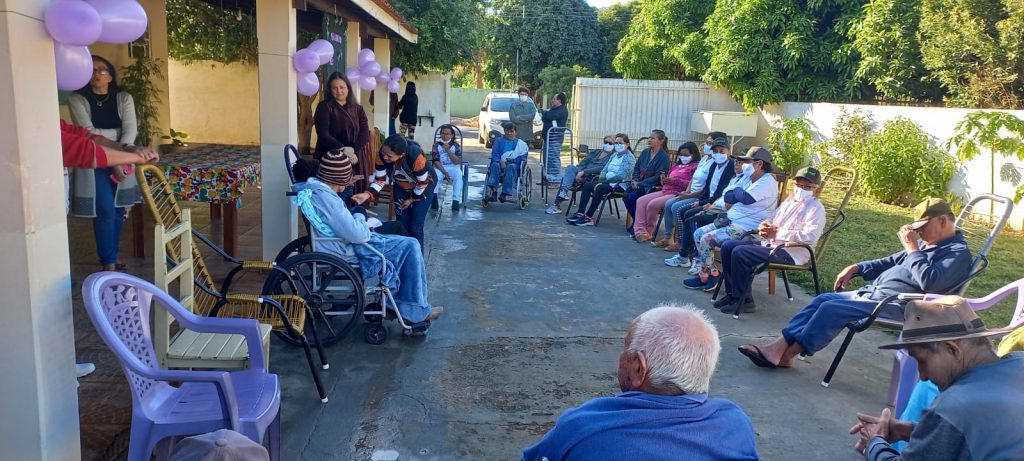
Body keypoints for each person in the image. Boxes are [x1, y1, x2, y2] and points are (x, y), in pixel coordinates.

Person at [738, 198, 973, 369]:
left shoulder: (957, 254)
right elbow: (889, 261)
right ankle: (780, 350)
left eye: (923, 228)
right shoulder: (926, 245)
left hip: (903, 306)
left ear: (943, 220)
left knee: (832, 308)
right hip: (876, 295)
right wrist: (858, 268)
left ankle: (785, 353)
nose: (919, 234)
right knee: (822, 300)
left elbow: (931, 283)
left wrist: (912, 248)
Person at [520, 304, 759, 461]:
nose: (621, 355)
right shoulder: (735, 424)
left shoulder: (583, 428)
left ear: (638, 368)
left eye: (625, 348)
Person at [848, 296, 1024, 461]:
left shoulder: (954, 406)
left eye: (922, 360)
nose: (922, 376)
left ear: (952, 349)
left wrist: (874, 442)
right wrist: (908, 431)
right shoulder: (1019, 362)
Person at [292, 149, 442, 324]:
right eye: (343, 181)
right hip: (346, 248)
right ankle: (414, 311)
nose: (344, 186)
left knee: (406, 243)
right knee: (411, 246)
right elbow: (358, 235)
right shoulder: (328, 199)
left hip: (341, 242)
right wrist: (361, 217)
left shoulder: (317, 191)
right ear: (336, 179)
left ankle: (404, 307)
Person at [61, 120, 158, 380]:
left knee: (57, 292)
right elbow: (85, 151)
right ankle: (54, 368)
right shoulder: (28, 125)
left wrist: (129, 147)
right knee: (45, 295)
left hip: (48, 223)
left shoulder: (48, 118)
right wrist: (133, 156)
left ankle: (59, 361)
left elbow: (88, 137)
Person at [715, 167, 826, 315]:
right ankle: (733, 294)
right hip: (772, 244)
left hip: (792, 251)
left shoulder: (815, 208)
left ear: (816, 190)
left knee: (741, 252)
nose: (801, 189)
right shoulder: (789, 200)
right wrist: (764, 226)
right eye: (799, 185)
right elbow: (772, 218)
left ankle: (745, 301)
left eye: (807, 187)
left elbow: (809, 236)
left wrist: (778, 232)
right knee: (728, 246)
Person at [67, 55, 142, 272]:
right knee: (106, 210)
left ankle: (112, 255)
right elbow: (88, 133)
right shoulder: (77, 99)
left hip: (123, 156)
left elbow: (130, 131)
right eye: (91, 70)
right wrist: (117, 141)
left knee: (119, 209)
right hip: (92, 159)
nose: (96, 74)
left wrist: (120, 157)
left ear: (110, 75)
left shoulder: (124, 98)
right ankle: (107, 262)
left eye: (101, 70)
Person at [683, 147, 778, 291]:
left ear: (759, 164)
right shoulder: (748, 178)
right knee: (698, 233)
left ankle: (707, 276)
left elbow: (746, 198)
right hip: (731, 220)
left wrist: (737, 193)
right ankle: (712, 273)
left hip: (748, 228)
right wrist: (738, 194)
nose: (742, 164)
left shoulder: (767, 181)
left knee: (706, 239)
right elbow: (728, 195)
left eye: (746, 161)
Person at [663, 137, 736, 266]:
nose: (718, 154)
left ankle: (692, 255)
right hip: (708, 201)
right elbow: (707, 187)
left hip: (719, 206)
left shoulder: (731, 167)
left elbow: (722, 192)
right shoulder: (714, 164)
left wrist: (703, 203)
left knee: (691, 217)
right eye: (716, 151)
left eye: (722, 151)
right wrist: (701, 201)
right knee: (685, 212)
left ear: (729, 152)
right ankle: (686, 254)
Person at [357, 134, 436, 247]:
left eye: (389, 156)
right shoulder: (381, 155)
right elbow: (380, 180)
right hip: (401, 186)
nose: (385, 157)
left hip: (423, 188)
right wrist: (366, 194)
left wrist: (410, 199)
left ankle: (417, 260)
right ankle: (404, 254)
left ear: (401, 155)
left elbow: (423, 182)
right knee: (402, 225)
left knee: (415, 227)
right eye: (384, 153)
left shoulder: (415, 156)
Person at [654, 132, 726, 250]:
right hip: (690, 193)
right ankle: (668, 238)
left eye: (710, 143)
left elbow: (706, 188)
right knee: (668, 204)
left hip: (699, 196)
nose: (707, 146)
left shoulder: (715, 163)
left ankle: (681, 243)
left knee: (676, 208)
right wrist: (687, 192)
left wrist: (689, 195)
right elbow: (693, 179)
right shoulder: (704, 159)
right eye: (706, 143)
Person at [631, 142, 700, 243]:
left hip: (677, 193)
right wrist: (664, 179)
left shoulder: (695, 167)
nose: (682, 157)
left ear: (693, 155)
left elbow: (692, 184)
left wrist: (675, 181)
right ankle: (639, 232)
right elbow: (668, 177)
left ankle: (649, 231)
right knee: (641, 201)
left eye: (686, 155)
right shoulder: (677, 165)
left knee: (652, 204)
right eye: (681, 155)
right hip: (665, 190)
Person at [314, 72, 370, 191]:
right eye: (335, 88)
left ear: (348, 88)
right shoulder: (324, 107)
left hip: (355, 155)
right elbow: (324, 135)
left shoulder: (358, 108)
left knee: (354, 195)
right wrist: (345, 151)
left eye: (342, 87)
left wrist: (353, 149)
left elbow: (365, 134)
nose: (339, 91)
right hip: (332, 158)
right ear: (330, 89)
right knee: (333, 197)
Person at [567, 134, 636, 227]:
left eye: (620, 143)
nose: (618, 145)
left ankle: (588, 217)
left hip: (620, 184)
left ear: (627, 144)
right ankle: (580, 213)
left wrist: (604, 182)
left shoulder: (629, 157)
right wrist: (602, 179)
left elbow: (622, 175)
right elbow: (605, 169)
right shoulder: (614, 155)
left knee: (600, 188)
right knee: (587, 185)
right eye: (616, 143)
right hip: (606, 182)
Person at [545, 136, 615, 215]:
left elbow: (602, 168)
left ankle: (556, 204)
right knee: (570, 168)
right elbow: (584, 161)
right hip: (581, 173)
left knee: (566, 179)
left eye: (610, 143)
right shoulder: (596, 152)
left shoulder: (613, 157)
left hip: (593, 177)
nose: (607, 144)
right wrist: (579, 171)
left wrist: (583, 172)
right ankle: (563, 193)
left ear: (614, 145)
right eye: (606, 142)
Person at [624, 130, 670, 236]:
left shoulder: (663, 157)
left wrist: (640, 184)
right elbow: (636, 167)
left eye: (653, 138)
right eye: (649, 137)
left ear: (661, 140)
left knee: (632, 197)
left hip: (652, 187)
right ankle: (638, 222)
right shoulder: (645, 152)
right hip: (639, 183)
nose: (649, 140)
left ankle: (638, 225)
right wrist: (635, 179)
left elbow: (659, 177)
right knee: (626, 196)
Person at [484, 122, 529, 204]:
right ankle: (494, 192)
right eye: (507, 131)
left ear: (515, 132)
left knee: (511, 167)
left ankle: (504, 193)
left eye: (511, 131)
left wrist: (508, 162)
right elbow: (495, 154)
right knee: (494, 164)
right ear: (504, 132)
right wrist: (500, 161)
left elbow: (522, 158)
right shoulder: (498, 141)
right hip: (499, 163)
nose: (509, 133)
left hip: (514, 166)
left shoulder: (521, 144)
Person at [431, 124, 464, 211]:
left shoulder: (456, 146)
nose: (445, 136)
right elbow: (436, 161)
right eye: (443, 133)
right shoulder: (436, 145)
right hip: (440, 167)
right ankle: (434, 198)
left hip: (453, 167)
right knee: (436, 175)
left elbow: (458, 161)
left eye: (447, 134)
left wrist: (448, 151)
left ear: (451, 135)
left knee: (458, 175)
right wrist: (444, 172)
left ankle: (455, 201)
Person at [540, 92, 569, 183]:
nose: (552, 100)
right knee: (546, 159)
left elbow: (548, 115)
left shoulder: (562, 110)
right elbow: (544, 118)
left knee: (553, 159)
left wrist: (546, 113)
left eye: (554, 99)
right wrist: (546, 114)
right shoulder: (554, 109)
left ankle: (555, 180)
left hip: (555, 139)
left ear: (560, 100)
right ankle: (547, 178)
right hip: (548, 139)